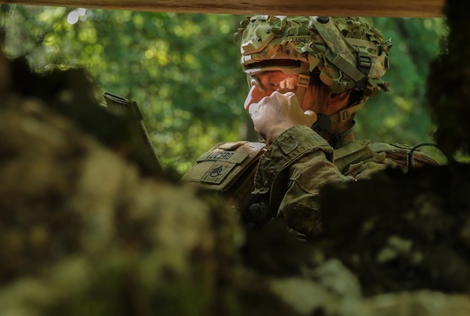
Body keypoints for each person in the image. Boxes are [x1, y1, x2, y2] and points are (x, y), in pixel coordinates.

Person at [183, 15, 436, 237]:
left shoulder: (401, 174)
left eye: (277, 85)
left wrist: (289, 136)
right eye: (254, 83)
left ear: (338, 90)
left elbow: (364, 236)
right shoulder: (232, 164)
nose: (252, 102)